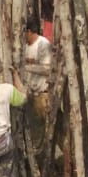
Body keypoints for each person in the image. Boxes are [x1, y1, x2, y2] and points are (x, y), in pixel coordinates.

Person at [24, 22, 53, 155]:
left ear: (29, 31)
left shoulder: (43, 44)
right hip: (31, 93)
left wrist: (28, 68)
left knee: (48, 125)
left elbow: (48, 69)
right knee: (35, 126)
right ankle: (38, 153)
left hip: (43, 93)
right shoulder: (24, 46)